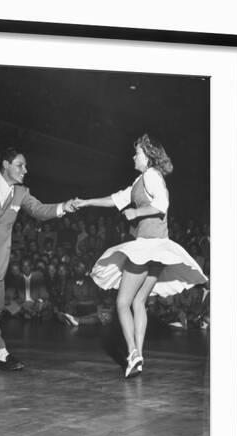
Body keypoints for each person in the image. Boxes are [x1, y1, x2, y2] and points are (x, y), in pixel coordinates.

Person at [74, 134, 208, 378]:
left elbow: (162, 205)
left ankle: (133, 353)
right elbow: (115, 199)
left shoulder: (151, 176)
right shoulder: (140, 180)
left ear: (147, 156)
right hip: (156, 251)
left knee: (122, 302)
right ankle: (137, 356)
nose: (133, 156)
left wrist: (136, 214)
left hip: (148, 247)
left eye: (136, 153)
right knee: (138, 303)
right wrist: (86, 202)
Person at [0, 146, 78, 371]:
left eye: (25, 166)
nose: (25, 170)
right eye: (20, 165)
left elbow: (39, 210)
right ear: (5, 165)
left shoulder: (21, 192)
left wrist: (63, 207)